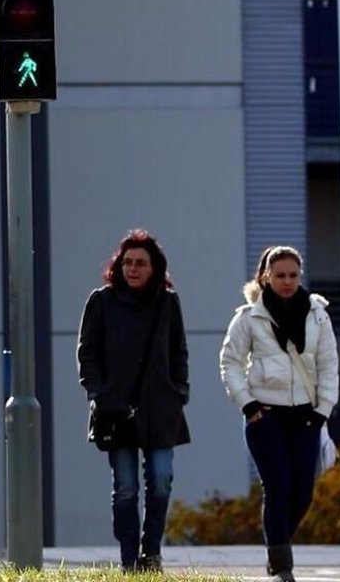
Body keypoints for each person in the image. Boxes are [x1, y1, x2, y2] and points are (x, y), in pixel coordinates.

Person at [220, 245, 340, 582]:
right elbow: (230, 362)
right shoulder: (248, 317)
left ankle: (276, 546)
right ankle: (282, 566)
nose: (287, 282)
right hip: (265, 415)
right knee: (277, 486)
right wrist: (247, 403)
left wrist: (323, 410)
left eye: (293, 275)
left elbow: (329, 364)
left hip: (306, 416)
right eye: (280, 275)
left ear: (300, 276)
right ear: (265, 277)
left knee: (303, 490)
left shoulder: (318, 314)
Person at [77, 230, 190, 573]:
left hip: (160, 408)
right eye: (127, 262)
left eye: (141, 263)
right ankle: (129, 558)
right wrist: (98, 393)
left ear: (155, 268)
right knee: (125, 488)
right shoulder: (102, 301)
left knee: (161, 479)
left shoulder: (167, 303)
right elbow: (87, 353)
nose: (133, 269)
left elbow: (178, 351)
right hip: (116, 410)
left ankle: (151, 551)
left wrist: (179, 391)